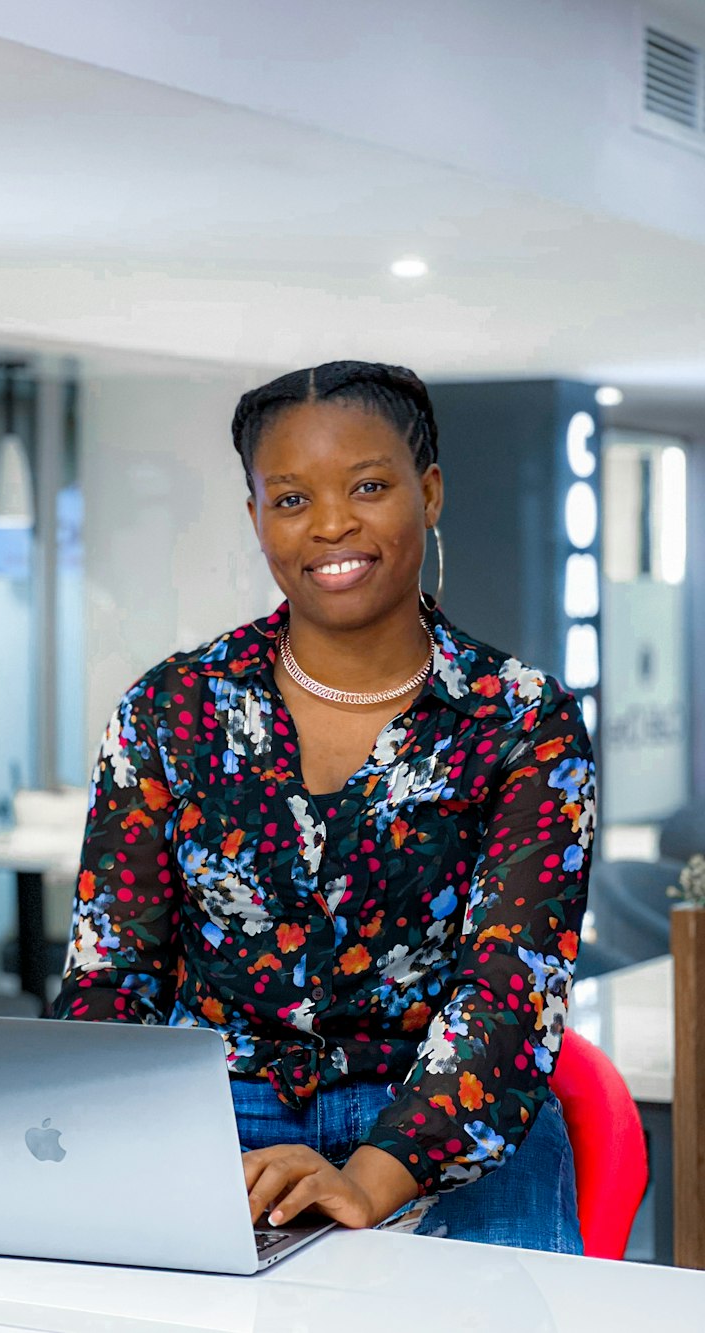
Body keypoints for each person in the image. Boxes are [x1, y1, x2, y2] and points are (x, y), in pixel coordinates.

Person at [53, 360, 593, 1252]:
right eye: (291, 498)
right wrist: (116, 1148)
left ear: (429, 492)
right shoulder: (171, 708)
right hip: (213, 1135)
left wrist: (366, 1179)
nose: (332, 524)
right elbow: (111, 977)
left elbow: (509, 993)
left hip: (449, 1130)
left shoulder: (521, 718)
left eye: (369, 486)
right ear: (258, 516)